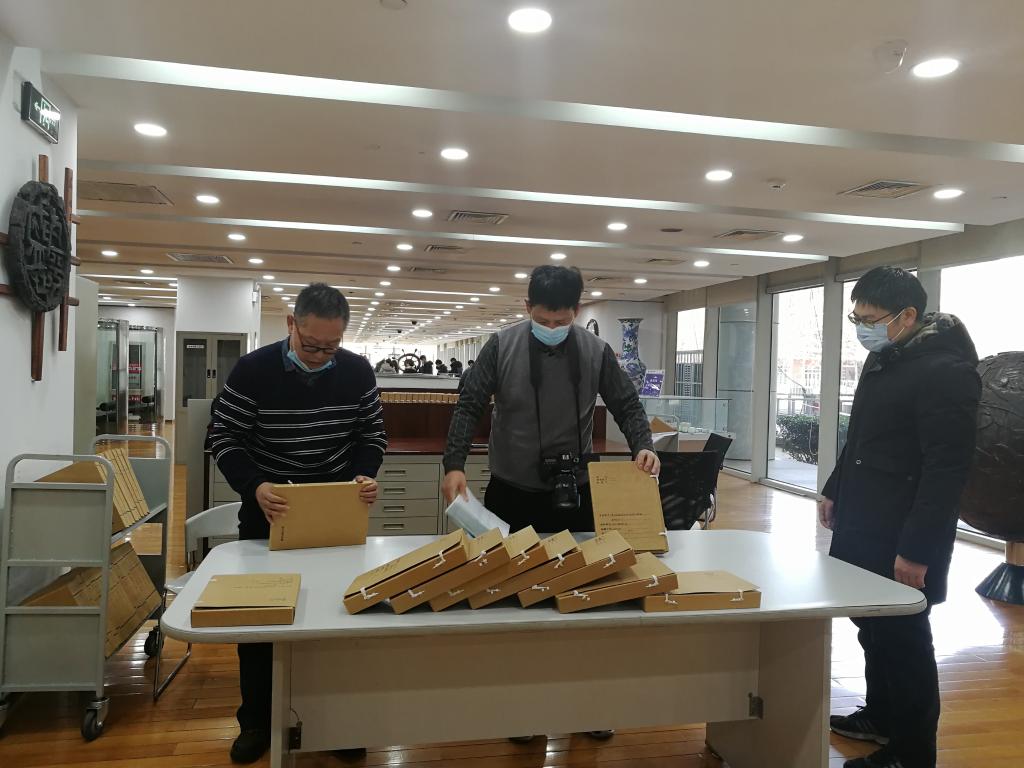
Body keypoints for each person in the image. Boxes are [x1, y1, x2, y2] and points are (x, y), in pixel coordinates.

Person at [207, 283, 387, 764]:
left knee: (337, 619)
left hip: (335, 509)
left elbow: (372, 433)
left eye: (332, 347)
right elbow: (224, 437)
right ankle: (256, 721)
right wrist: (254, 485)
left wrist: (365, 473)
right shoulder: (253, 370)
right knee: (260, 621)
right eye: (311, 346)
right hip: (270, 509)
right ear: (292, 324)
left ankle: (336, 724)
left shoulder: (357, 371)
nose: (321, 356)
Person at [820, 267, 980, 768]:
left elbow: (946, 471)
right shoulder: (886, 358)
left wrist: (917, 550)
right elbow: (861, 435)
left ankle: (912, 753)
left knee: (905, 639)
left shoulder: (945, 371)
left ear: (907, 315)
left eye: (870, 319)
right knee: (872, 627)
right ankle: (881, 717)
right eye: (856, 318)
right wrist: (834, 489)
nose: (862, 328)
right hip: (864, 524)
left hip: (903, 535)